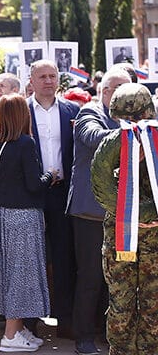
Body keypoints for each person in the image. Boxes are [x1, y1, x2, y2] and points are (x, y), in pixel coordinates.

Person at [90, 83, 158, 355]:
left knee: (152, 304)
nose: (133, 123)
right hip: (122, 237)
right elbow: (101, 185)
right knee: (122, 302)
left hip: (151, 237)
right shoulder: (113, 145)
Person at [68, 68, 129, 354]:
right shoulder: (88, 113)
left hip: (125, 215)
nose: (127, 97)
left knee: (120, 277)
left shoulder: (136, 120)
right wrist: (133, 133)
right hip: (91, 213)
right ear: (105, 92)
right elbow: (94, 138)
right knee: (91, 277)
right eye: (121, 91)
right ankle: (84, 337)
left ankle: (112, 333)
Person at [0, 94, 55, 352]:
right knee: (20, 274)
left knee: (8, 272)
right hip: (24, 216)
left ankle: (18, 328)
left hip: (3, 215)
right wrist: (50, 175)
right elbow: (33, 184)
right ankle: (10, 336)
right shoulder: (25, 143)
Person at [27, 60, 78, 338]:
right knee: (32, 256)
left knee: (63, 254)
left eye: (52, 76)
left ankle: (65, 318)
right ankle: (30, 320)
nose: (48, 81)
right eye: (42, 76)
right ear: (31, 80)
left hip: (62, 193)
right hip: (30, 193)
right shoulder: (20, 110)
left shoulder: (73, 110)